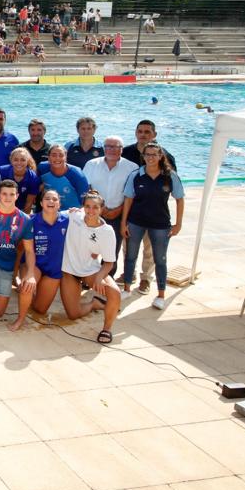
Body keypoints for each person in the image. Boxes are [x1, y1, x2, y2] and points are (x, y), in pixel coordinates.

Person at [121, 143, 185, 309]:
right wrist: (123, 223)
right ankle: (127, 289)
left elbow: (179, 198)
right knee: (130, 256)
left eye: (154, 154)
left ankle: (161, 295)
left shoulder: (170, 176)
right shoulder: (136, 175)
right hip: (136, 222)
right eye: (147, 154)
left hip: (160, 225)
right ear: (143, 156)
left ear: (160, 156)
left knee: (160, 260)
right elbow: (128, 199)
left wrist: (178, 223)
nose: (150, 157)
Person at [0, 180, 39, 335]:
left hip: (7, 267)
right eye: (4, 194)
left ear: (17, 196)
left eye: (12, 194)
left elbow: (29, 250)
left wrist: (30, 273)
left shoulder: (25, 220)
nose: (8, 197)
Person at [62, 192, 122, 343]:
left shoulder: (107, 232)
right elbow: (51, 212)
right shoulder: (74, 216)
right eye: (87, 206)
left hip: (90, 271)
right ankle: (94, 303)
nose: (91, 211)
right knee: (73, 315)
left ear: (102, 209)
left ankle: (107, 329)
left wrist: (100, 278)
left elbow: (109, 262)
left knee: (115, 293)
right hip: (69, 271)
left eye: (95, 207)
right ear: (83, 207)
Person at [83, 136, 138, 277]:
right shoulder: (91, 164)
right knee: (89, 247)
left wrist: (118, 210)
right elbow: (87, 188)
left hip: (118, 215)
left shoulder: (132, 168)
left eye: (116, 147)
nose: (111, 150)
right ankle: (88, 277)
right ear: (103, 148)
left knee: (112, 250)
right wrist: (100, 209)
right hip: (93, 214)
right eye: (108, 146)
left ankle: (107, 279)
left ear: (121, 149)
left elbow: (131, 194)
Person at [28, 190, 70, 319]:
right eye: (47, 198)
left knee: (40, 310)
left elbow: (91, 221)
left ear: (59, 204)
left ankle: (94, 304)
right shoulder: (30, 221)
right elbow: (19, 248)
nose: (51, 201)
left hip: (53, 269)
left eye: (55, 199)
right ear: (41, 203)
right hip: (34, 265)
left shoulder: (68, 221)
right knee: (26, 289)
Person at [38, 145, 90, 210]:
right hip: (51, 211)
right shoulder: (42, 168)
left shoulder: (78, 175)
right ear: (48, 157)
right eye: (54, 155)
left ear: (66, 157)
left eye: (61, 155)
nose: (57, 158)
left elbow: (86, 203)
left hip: (72, 213)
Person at [0, 147, 40, 212]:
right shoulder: (2, 171)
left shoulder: (33, 178)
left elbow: (29, 203)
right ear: (11, 160)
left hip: (21, 210)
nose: (19, 163)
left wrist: (23, 219)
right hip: (2, 207)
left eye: (23, 160)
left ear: (27, 161)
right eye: (16, 160)